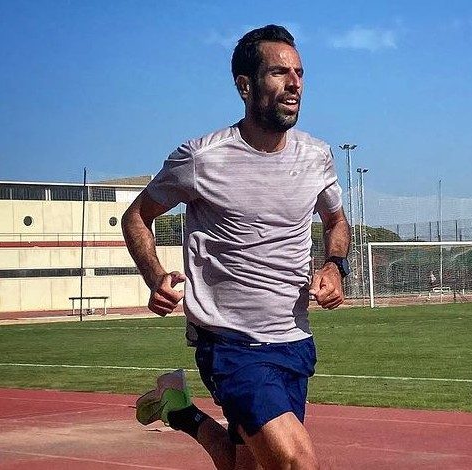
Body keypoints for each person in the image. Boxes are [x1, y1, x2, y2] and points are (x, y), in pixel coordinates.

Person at [122, 24, 350, 470]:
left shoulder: (316, 156)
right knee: (295, 462)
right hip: (231, 344)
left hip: (294, 341)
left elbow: (336, 220)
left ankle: (180, 410)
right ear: (244, 85)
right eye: (279, 72)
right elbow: (137, 216)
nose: (295, 83)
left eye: (300, 73)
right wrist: (156, 278)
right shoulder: (201, 158)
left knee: (247, 466)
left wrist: (336, 266)